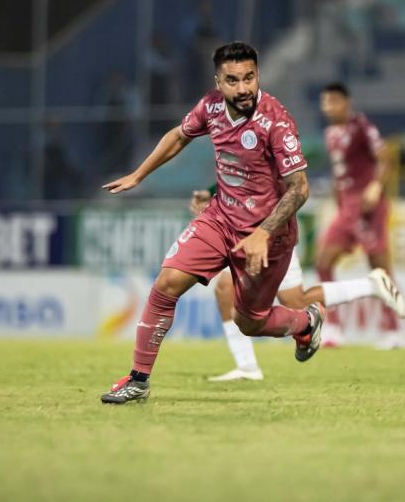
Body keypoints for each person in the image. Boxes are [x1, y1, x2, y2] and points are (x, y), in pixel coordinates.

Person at [100, 42, 324, 404]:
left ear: (258, 76)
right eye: (233, 80)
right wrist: (139, 174)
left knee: (249, 322)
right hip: (220, 219)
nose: (243, 88)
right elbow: (179, 135)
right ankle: (138, 381)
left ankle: (306, 323)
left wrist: (263, 233)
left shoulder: (275, 120)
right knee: (167, 283)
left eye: (249, 78)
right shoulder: (211, 107)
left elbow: (300, 189)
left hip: (268, 236)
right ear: (219, 82)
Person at [188, 186, 405, 381]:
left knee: (231, 289)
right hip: (253, 226)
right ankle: (371, 286)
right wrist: (212, 193)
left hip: (268, 230)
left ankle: (247, 366)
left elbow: (278, 179)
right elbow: (237, 172)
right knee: (293, 299)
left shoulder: (274, 155)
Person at [317, 83, 403, 348]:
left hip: (368, 205)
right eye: (325, 102)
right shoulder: (330, 133)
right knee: (322, 261)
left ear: (347, 102)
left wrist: (376, 187)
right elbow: (338, 175)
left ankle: (393, 331)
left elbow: (385, 158)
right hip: (347, 208)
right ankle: (333, 328)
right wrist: (339, 204)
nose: (329, 107)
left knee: (378, 265)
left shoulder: (361, 126)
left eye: (334, 101)